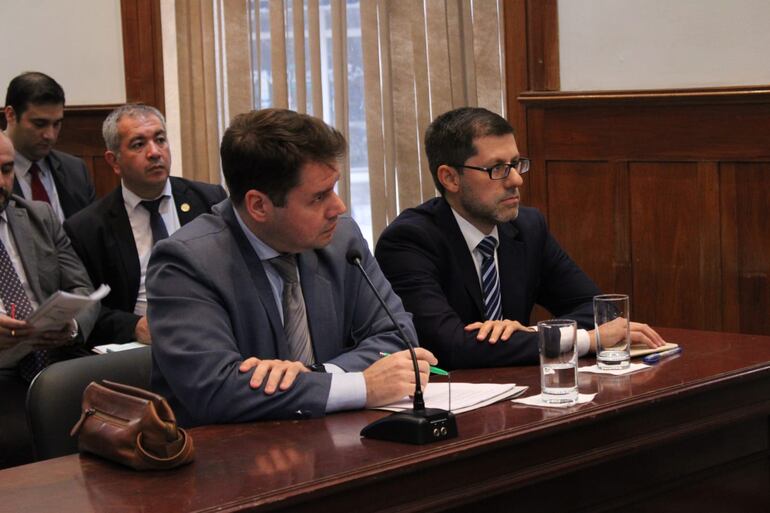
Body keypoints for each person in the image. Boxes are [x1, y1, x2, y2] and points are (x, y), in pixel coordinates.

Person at [147, 108, 436, 427]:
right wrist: (359, 386)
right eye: (319, 197)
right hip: (229, 459)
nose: (338, 208)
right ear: (259, 205)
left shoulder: (342, 240)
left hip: (333, 442)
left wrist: (319, 375)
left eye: (334, 188)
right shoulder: (186, 263)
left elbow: (398, 337)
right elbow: (216, 390)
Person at [375, 107, 665, 369]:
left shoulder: (527, 227)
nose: (516, 180)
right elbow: (449, 346)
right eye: (497, 169)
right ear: (450, 178)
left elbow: (600, 311)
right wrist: (584, 341)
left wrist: (533, 334)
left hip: (521, 389)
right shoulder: (409, 241)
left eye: (516, 164)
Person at [64, 104, 227, 346]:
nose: (154, 152)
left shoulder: (209, 201)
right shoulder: (87, 228)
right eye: (138, 144)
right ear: (114, 161)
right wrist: (134, 326)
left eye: (160, 140)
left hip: (212, 332)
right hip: (140, 349)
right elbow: (88, 309)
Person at [0, 131, 96, 468]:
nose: (2, 181)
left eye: (7, 169)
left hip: (57, 358)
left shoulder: (38, 215)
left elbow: (84, 290)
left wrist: (70, 326)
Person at [3, 72, 95, 221]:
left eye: (57, 124)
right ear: (11, 115)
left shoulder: (75, 170)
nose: (50, 135)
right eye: (39, 124)